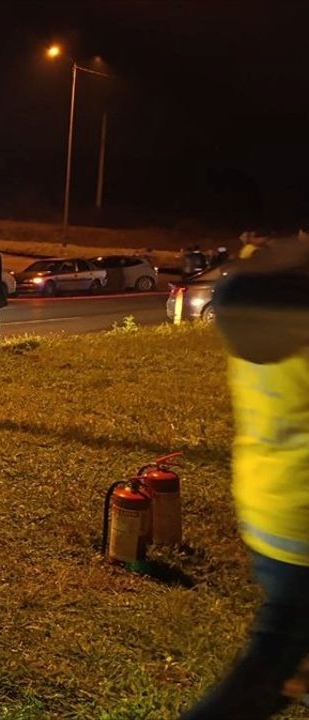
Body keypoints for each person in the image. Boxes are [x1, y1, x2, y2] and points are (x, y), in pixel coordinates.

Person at [183, 238, 309, 720]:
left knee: (282, 651)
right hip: (304, 523)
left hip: (266, 504)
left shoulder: (262, 314)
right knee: (263, 671)